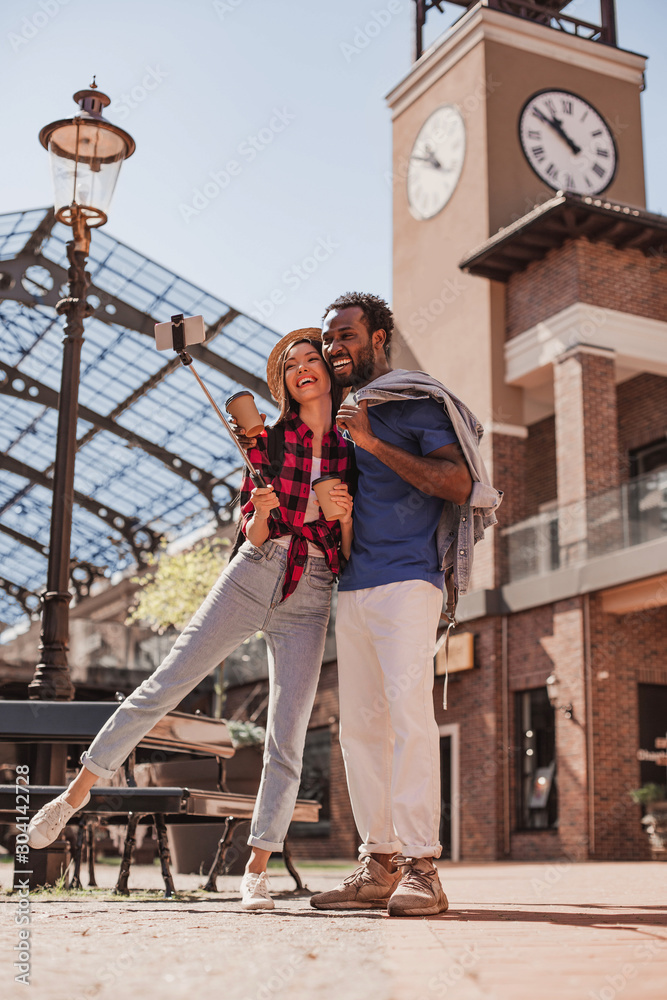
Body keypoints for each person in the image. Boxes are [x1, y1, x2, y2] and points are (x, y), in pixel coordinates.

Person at [27, 329, 354, 912]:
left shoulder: (352, 451)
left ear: (328, 373)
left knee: (288, 734)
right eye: (291, 364)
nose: (304, 368)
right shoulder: (272, 441)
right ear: (282, 384)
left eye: (312, 359)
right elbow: (250, 532)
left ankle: (256, 869)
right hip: (255, 572)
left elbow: (348, 548)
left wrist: (341, 515)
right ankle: (73, 795)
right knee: (165, 685)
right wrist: (260, 516)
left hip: (313, 591)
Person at [309, 292, 501, 917]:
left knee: (410, 719)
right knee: (359, 729)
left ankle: (424, 867)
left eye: (346, 335)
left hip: (409, 579)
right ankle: (379, 860)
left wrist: (371, 442)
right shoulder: (334, 418)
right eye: (329, 336)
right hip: (352, 583)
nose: (335, 345)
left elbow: (459, 485)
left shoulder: (413, 401)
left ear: (380, 339)